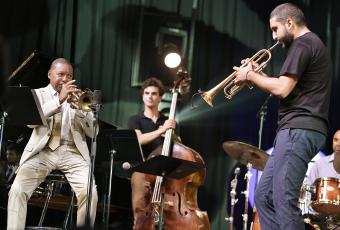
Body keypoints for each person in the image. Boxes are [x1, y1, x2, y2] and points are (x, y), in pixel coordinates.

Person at [233, 3, 332, 230]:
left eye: (275, 29)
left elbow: (282, 89)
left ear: (289, 23)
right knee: (263, 196)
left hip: (299, 129)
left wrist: (249, 74)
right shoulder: (310, 44)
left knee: (284, 200)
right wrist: (259, 75)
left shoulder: (303, 43)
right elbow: (289, 87)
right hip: (297, 129)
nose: (274, 36)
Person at [7, 58, 98, 229]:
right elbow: (31, 122)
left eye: (69, 75)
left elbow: (93, 132)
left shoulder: (81, 98)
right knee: (17, 190)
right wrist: (59, 101)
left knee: (90, 192)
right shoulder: (38, 94)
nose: (65, 79)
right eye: (61, 74)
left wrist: (81, 110)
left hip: (73, 153)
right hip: (43, 152)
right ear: (50, 74)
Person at [127, 77, 176, 228]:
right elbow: (139, 139)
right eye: (146, 93)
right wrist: (161, 130)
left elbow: (175, 148)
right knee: (140, 213)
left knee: (167, 215)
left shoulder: (168, 121)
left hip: (163, 171)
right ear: (142, 96)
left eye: (154, 93)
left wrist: (173, 134)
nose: (150, 96)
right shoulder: (135, 119)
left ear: (160, 97)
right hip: (142, 169)